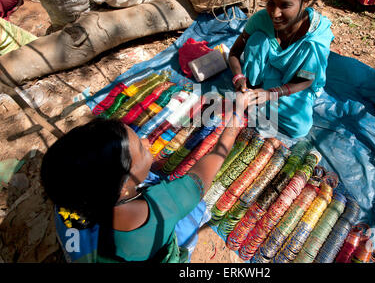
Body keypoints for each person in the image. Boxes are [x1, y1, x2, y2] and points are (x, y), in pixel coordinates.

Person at [40, 98, 248, 263]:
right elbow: (214, 160)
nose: (147, 142)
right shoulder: (160, 207)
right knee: (196, 211)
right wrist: (237, 115)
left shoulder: (70, 185)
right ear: (121, 188)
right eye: (140, 148)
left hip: (85, 246)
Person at [228, 0, 334, 139]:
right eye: (271, 2)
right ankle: (253, 91)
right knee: (258, 40)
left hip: (294, 84)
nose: (275, 13)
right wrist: (239, 77)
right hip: (265, 76)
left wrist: (271, 94)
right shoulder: (261, 20)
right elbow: (234, 53)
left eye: (285, 5)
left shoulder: (316, 36)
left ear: (305, 3)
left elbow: (306, 79)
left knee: (299, 126)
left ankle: (256, 99)